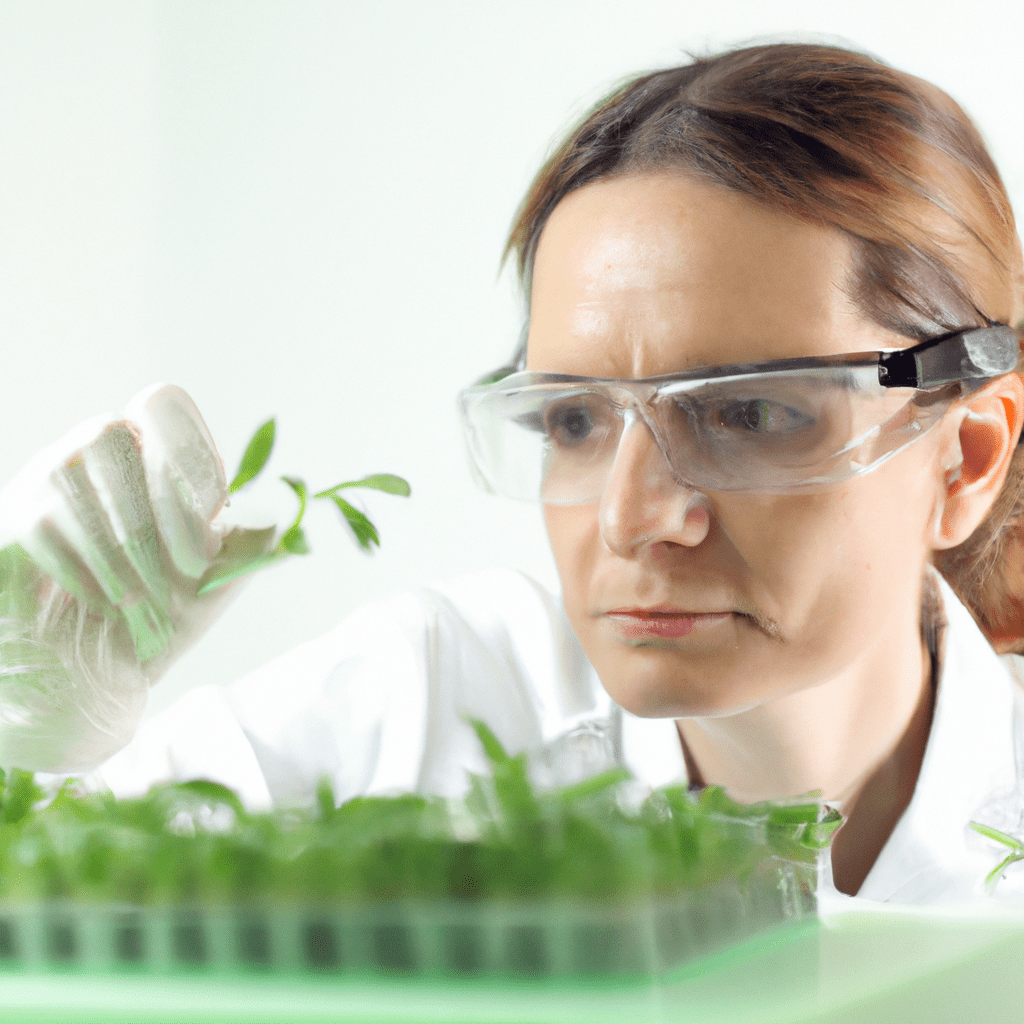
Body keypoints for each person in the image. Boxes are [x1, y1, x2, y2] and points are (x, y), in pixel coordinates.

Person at [2, 40, 1024, 908]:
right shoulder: (433, 706)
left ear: (965, 458)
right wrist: (37, 749)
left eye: (748, 412)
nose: (632, 517)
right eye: (575, 419)